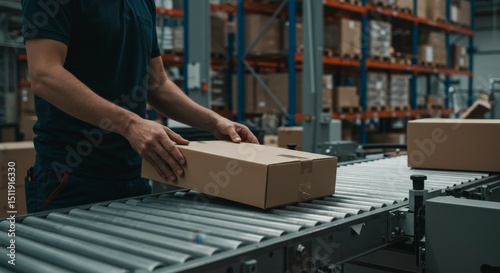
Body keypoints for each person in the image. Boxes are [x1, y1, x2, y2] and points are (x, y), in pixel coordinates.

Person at [22, 0, 258, 212]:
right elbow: (45, 75)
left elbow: (157, 83)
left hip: (134, 175)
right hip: (70, 177)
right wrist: (129, 124)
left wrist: (214, 121)